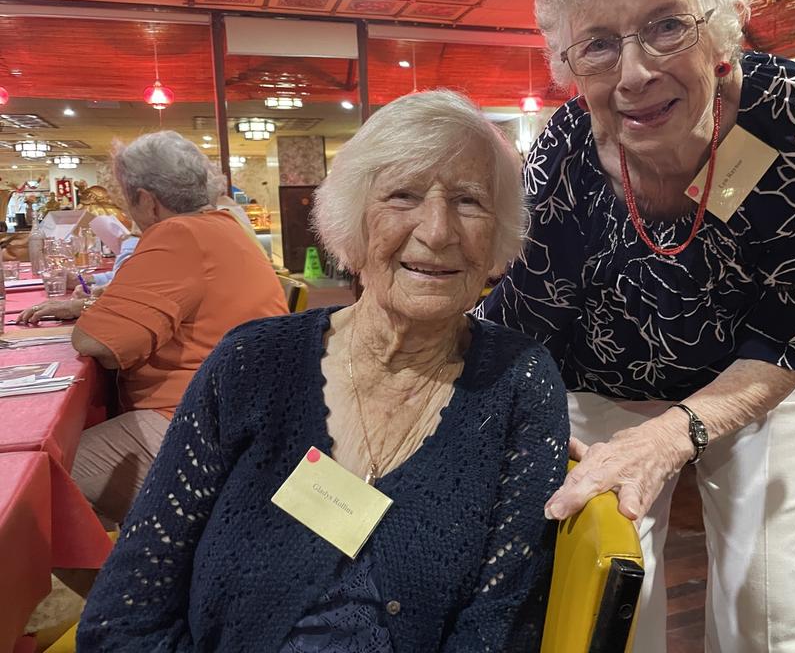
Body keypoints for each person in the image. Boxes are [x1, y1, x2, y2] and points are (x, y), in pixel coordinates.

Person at [478, 0, 795, 651]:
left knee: (762, 602)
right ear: (568, 62)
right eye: (599, 44)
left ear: (721, 30)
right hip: (608, 377)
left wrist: (677, 432)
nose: (634, 73)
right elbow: (527, 308)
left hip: (766, 364)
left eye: (666, 26)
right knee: (607, 586)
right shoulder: (567, 152)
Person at [77, 90, 569, 652]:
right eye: (403, 195)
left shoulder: (518, 384)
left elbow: (499, 625)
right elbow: (128, 610)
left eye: (470, 201)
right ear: (352, 222)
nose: (437, 230)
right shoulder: (251, 363)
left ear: (499, 239)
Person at [25, 131, 289, 528]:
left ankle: (130, 589)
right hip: (251, 414)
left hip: (201, 425)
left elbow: (98, 342)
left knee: (38, 483)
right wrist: (88, 305)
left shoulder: (177, 234)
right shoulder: (223, 227)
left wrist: (92, 314)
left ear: (147, 200)